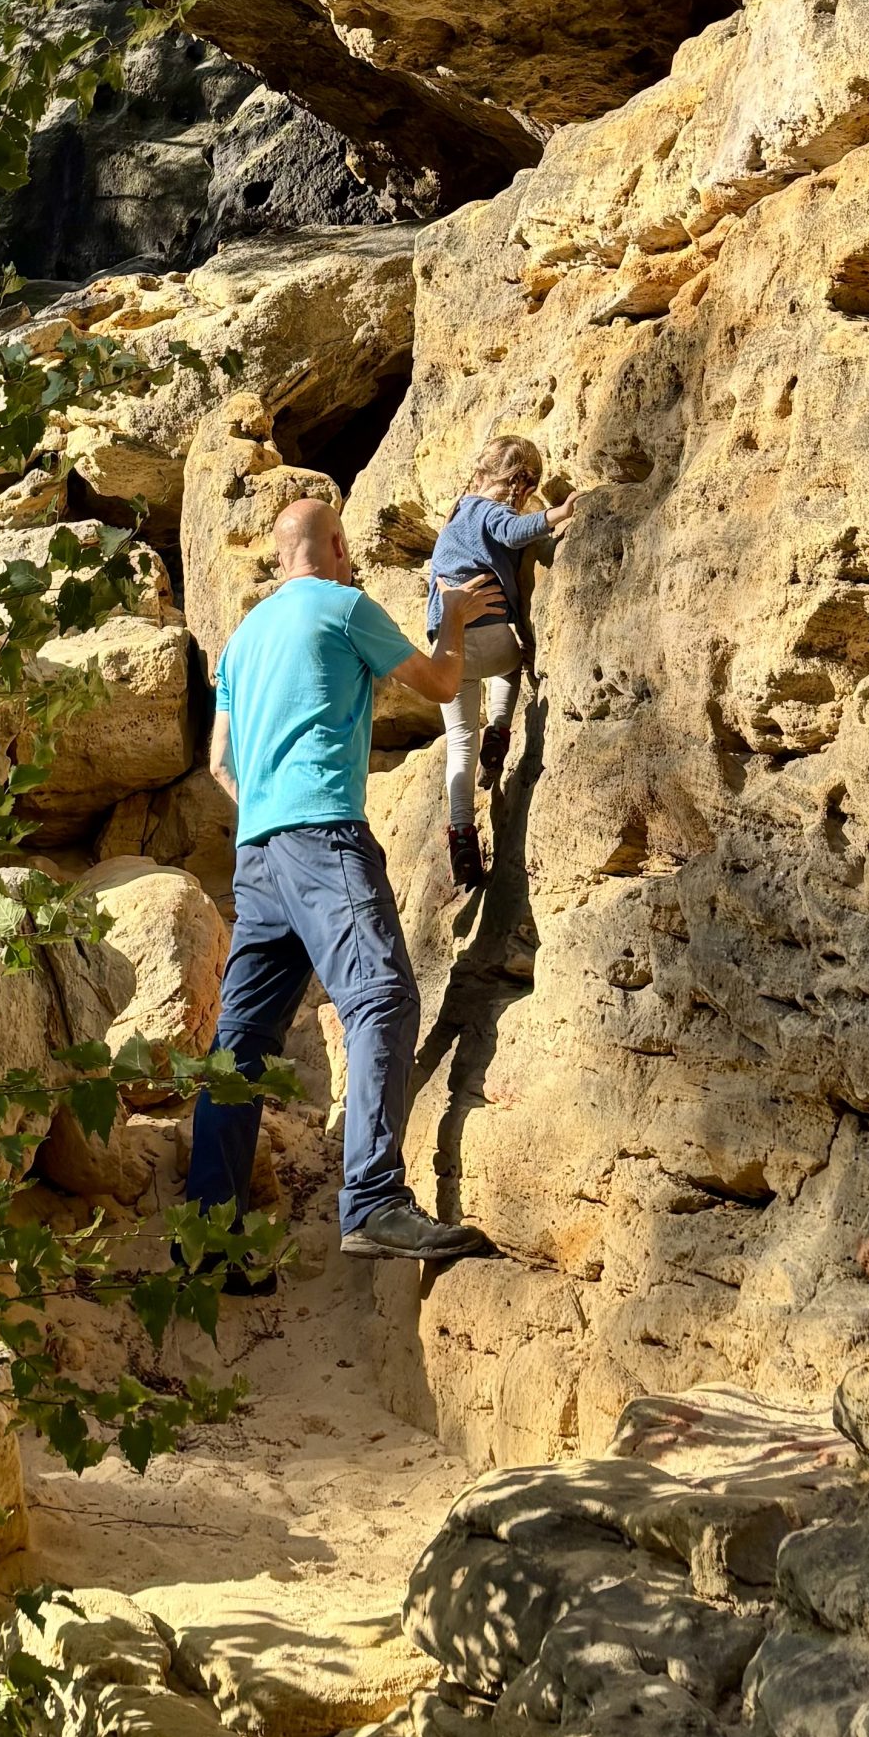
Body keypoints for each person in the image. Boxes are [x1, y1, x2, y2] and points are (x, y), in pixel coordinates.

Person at [183, 495, 503, 1269]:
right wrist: (455, 618)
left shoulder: (242, 639)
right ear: (333, 547)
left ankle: (207, 1245)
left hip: (257, 852)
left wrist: (270, 810)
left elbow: (219, 762)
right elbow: (439, 683)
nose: (351, 560)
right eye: (348, 549)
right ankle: (374, 1202)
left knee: (238, 1046)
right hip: (324, 834)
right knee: (382, 995)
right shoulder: (343, 605)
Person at [426, 435, 578, 892]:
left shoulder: (456, 514)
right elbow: (513, 531)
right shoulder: (488, 511)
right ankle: (499, 728)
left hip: (446, 647)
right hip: (489, 637)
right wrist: (557, 515)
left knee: (459, 742)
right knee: (511, 667)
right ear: (520, 486)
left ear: (480, 473)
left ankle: (461, 834)